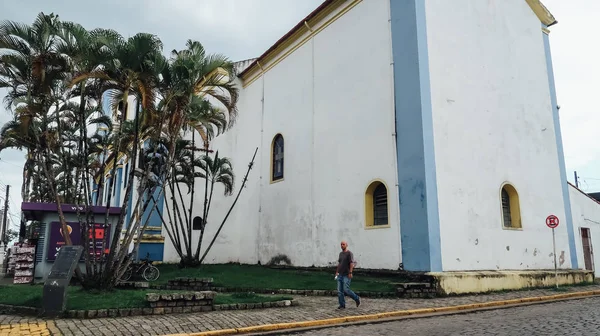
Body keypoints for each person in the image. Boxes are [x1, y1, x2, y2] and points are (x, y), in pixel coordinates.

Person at [335, 240, 360, 309]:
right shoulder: (340, 254)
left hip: (346, 274)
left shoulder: (349, 253)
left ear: (346, 245)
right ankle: (342, 305)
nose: (342, 245)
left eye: (343, 244)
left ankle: (356, 298)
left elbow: (351, 263)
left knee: (346, 290)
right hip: (340, 274)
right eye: (341, 244)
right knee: (340, 291)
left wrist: (350, 272)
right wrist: (337, 272)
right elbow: (339, 263)